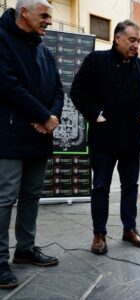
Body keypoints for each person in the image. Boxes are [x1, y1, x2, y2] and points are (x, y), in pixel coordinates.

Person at [70, 20, 140, 255]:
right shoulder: (95, 61)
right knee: (101, 187)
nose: (136, 45)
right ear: (117, 38)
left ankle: (129, 229)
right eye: (132, 40)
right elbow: (77, 91)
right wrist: (95, 115)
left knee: (131, 187)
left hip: (131, 139)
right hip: (103, 139)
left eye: (138, 41)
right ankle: (99, 234)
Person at [0, 0, 62, 289]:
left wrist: (52, 117)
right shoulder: (2, 40)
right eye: (44, 15)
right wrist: (43, 115)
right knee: (4, 198)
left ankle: (25, 249)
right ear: (24, 12)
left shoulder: (44, 50)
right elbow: (8, 86)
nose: (49, 21)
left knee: (32, 195)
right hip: (9, 135)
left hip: (40, 135)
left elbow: (59, 90)